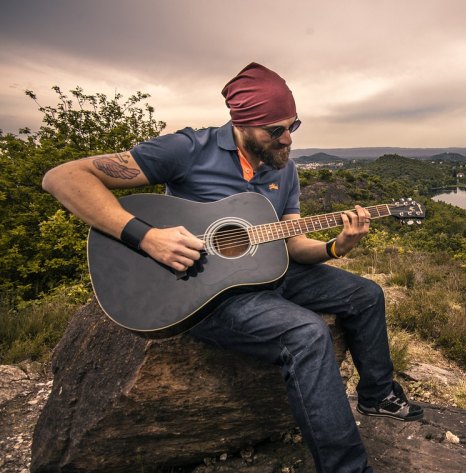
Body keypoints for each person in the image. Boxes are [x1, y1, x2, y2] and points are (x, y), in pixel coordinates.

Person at [41, 62, 423, 473]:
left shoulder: (285, 168)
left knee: (365, 294)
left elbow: (292, 243)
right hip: (202, 290)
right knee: (306, 333)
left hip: (270, 272)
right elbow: (63, 177)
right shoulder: (187, 149)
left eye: (293, 125)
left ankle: (377, 395)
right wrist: (147, 237)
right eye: (275, 130)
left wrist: (335, 246)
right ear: (241, 123)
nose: (287, 138)